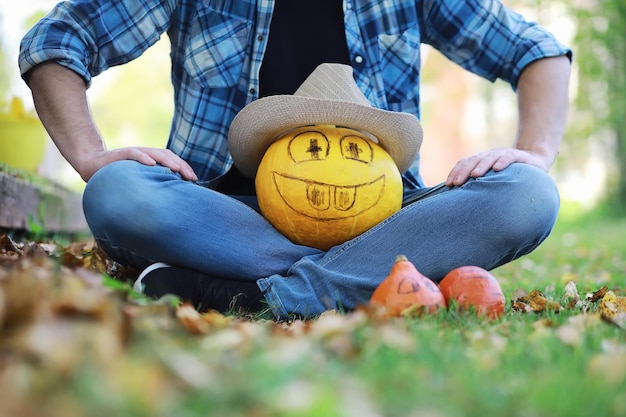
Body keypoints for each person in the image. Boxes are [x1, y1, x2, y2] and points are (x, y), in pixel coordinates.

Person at [19, 0, 571, 319]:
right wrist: (92, 156)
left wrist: (536, 151)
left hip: (383, 216)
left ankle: (257, 296)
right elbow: (57, 39)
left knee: (528, 192)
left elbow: (538, 52)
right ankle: (366, 277)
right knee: (118, 191)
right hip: (223, 216)